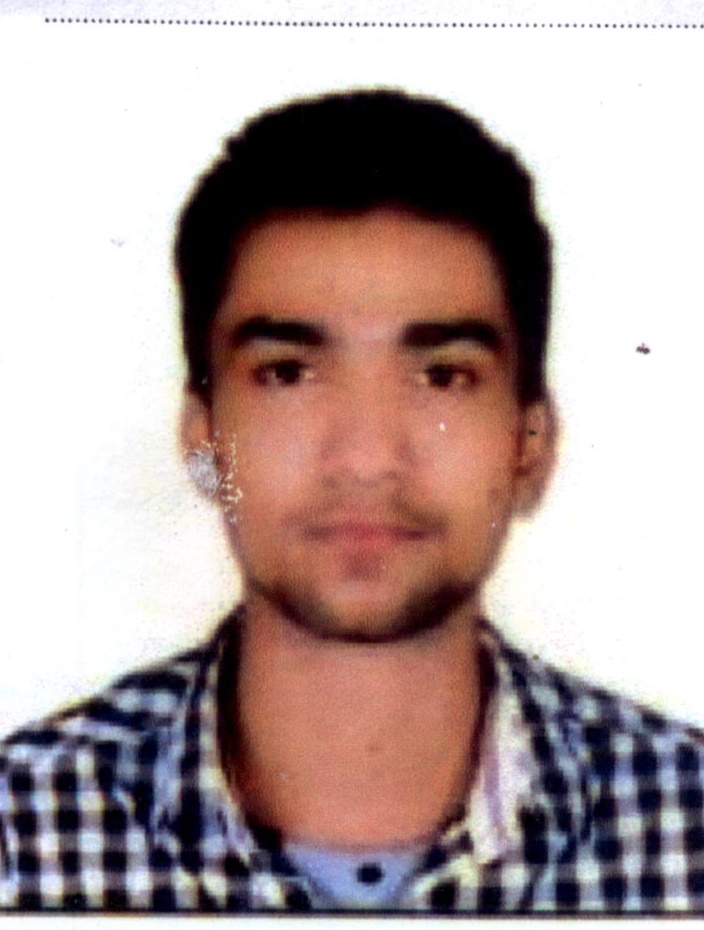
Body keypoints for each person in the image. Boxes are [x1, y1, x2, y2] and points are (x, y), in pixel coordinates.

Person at [1, 88, 704, 914]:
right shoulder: (22, 829)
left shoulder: (684, 825)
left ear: (529, 443)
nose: (367, 459)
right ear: (203, 443)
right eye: (288, 373)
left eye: (443, 376)